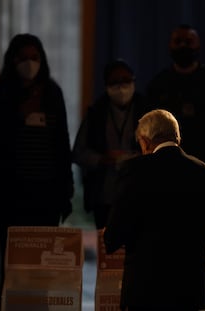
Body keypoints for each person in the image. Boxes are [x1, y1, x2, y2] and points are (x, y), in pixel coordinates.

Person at [0, 33, 74, 292]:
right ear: (12, 60)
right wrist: (18, 114)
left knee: (41, 263)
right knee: (13, 263)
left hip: (45, 194)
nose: (29, 63)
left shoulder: (52, 93)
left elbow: (61, 142)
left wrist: (65, 190)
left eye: (34, 58)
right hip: (10, 194)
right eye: (23, 58)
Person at [103, 109, 205, 311]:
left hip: (145, 287)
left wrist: (110, 236)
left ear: (146, 140)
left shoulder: (134, 170)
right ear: (177, 137)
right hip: (188, 288)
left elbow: (115, 233)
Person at [72, 59, 148, 229]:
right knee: (106, 248)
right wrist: (101, 159)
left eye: (126, 80)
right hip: (104, 196)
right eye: (115, 82)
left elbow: (160, 149)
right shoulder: (95, 113)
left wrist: (137, 157)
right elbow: (78, 152)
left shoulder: (147, 110)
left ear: (134, 81)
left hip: (139, 194)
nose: (121, 87)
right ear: (106, 85)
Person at [146, 24, 205, 164]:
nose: (183, 46)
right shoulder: (158, 85)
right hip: (167, 164)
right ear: (170, 45)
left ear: (198, 45)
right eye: (178, 41)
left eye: (189, 42)